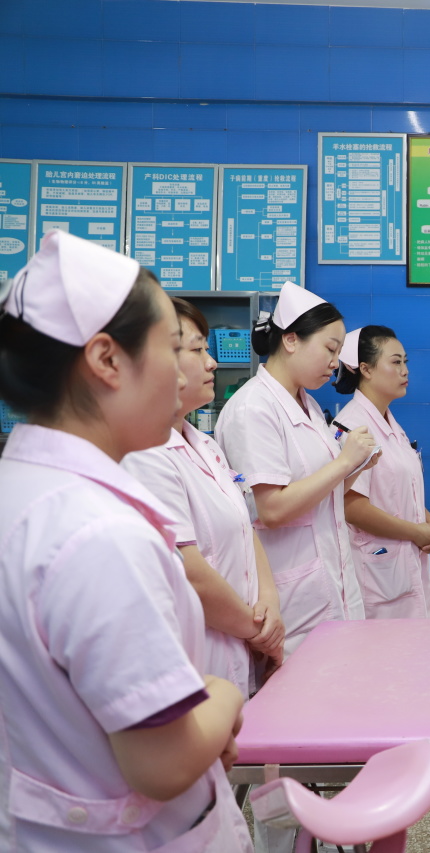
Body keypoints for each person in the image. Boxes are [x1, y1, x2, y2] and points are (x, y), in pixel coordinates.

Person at [0, 231, 252, 851]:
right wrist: (222, 695)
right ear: (107, 360)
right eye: (171, 346)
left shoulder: (25, 489)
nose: (185, 369)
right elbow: (163, 764)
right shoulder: (97, 534)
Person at [123, 297, 286, 697]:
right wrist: (257, 631)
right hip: (199, 653)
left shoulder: (206, 445)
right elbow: (188, 571)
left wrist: (269, 602)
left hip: (240, 642)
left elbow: (246, 526)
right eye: (197, 350)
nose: (212, 363)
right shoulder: (144, 455)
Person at [215, 283, 372, 658]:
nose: (335, 363)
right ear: (290, 340)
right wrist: (344, 462)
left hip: (333, 584)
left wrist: (355, 466)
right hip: (293, 595)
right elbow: (272, 509)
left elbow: (320, 491)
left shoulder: (309, 406)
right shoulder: (253, 409)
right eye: (330, 349)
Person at [332, 325, 430, 618]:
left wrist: (429, 522)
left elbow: (400, 489)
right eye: (395, 362)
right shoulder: (351, 427)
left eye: (405, 362)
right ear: (366, 369)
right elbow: (351, 506)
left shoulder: (392, 425)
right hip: (378, 577)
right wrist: (416, 532)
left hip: (406, 566)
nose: (405, 370)